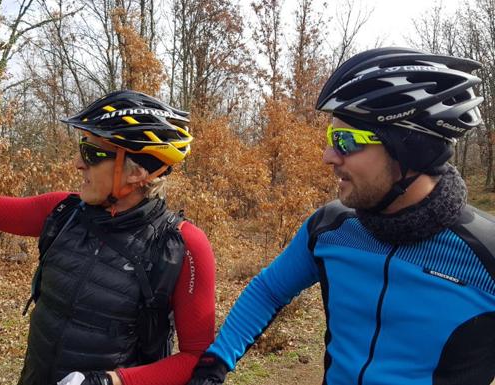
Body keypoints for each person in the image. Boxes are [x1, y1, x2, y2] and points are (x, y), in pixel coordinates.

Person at [186, 47, 495, 385]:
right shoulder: (330, 228)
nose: (328, 156)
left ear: (409, 148)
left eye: (345, 141)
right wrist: (214, 364)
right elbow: (268, 290)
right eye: (331, 138)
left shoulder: (485, 252)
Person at [0, 90, 216, 385]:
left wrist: (113, 381)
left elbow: (197, 358)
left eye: (93, 153)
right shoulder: (63, 213)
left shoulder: (181, 246)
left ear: (138, 171)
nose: (78, 164)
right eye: (83, 147)